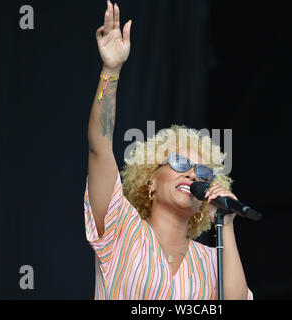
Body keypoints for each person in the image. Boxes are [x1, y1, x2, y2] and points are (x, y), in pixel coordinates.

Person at [84, 0, 253, 300]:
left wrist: (225, 225)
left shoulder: (213, 263)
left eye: (202, 171)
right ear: (150, 179)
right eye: (179, 162)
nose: (192, 173)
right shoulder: (121, 230)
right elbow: (100, 147)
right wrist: (111, 70)